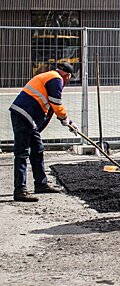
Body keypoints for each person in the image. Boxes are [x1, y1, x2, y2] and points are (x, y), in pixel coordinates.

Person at [9, 62, 79, 202]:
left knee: (37, 149)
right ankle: (20, 190)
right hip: (24, 115)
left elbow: (53, 107)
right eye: (69, 78)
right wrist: (66, 120)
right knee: (22, 152)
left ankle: (41, 184)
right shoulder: (56, 78)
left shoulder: (50, 76)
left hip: (27, 117)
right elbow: (56, 103)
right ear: (67, 75)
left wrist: (67, 121)